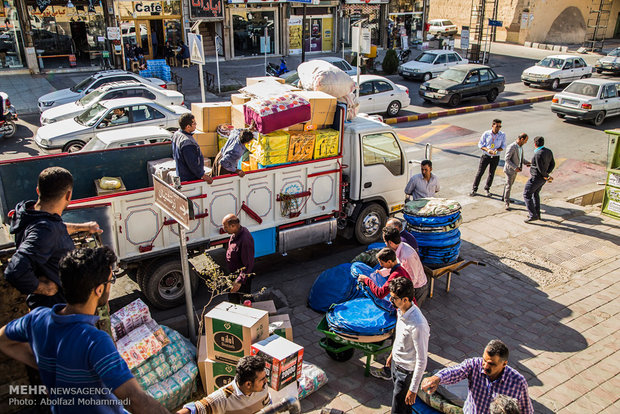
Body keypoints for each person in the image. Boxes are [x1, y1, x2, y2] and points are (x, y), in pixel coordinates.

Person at [0, 247, 170, 414]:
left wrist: (48, 366)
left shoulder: (36, 318)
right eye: (111, 281)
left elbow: (3, 339)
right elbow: (135, 400)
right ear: (99, 290)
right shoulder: (95, 341)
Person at [3, 167, 102, 310]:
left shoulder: (30, 214)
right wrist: (45, 288)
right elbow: (15, 270)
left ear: (38, 190)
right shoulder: (45, 230)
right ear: (69, 195)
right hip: (53, 309)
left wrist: (84, 227)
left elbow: (56, 227)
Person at [421, 339, 533, 414]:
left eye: (491, 364)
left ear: (504, 364)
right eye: (484, 360)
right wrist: (437, 378)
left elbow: (526, 411)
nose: (485, 366)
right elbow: (455, 372)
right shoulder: (475, 365)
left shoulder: (518, 382)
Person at [386, 277, 430, 414]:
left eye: (394, 298)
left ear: (405, 299)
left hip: (405, 374)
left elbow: (422, 360)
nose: (390, 300)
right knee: (403, 409)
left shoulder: (418, 325)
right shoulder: (401, 310)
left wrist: (413, 389)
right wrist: (392, 355)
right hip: (396, 365)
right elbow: (399, 337)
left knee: (398, 410)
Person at [178, 355, 270, 414]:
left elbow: (268, 405)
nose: (266, 381)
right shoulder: (224, 398)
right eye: (262, 379)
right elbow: (197, 408)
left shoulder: (263, 388)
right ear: (248, 384)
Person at [383, 226, 427, 305]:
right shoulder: (398, 249)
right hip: (409, 285)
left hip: (416, 288)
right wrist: (381, 272)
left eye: (385, 242)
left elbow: (413, 278)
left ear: (390, 242)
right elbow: (395, 266)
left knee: (411, 313)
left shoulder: (407, 256)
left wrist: (401, 293)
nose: (385, 245)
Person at [222, 214, 255, 304]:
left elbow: (248, 264)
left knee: (246, 300)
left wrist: (239, 281)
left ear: (233, 226)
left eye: (225, 227)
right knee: (233, 299)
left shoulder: (245, 240)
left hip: (241, 279)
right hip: (234, 275)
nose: (224, 229)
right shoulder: (236, 234)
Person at [171, 113, 213, 184]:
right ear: (188, 126)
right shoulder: (187, 143)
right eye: (194, 123)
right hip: (190, 179)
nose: (196, 125)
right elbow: (192, 164)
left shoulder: (176, 134)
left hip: (181, 174)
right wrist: (203, 175)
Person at [470, 119, 506, 197]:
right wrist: (488, 150)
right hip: (486, 156)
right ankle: (474, 189)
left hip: (495, 156)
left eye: (500, 126)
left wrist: (497, 150)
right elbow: (480, 144)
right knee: (480, 172)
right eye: (497, 126)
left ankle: (487, 188)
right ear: (492, 125)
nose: (498, 128)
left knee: (491, 173)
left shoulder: (502, 134)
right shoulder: (486, 134)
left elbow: (503, 146)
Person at [523, 136, 555, 223]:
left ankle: (532, 215)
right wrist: (547, 173)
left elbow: (540, 168)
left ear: (535, 144)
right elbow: (552, 164)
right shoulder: (548, 151)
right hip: (542, 179)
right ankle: (537, 213)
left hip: (536, 177)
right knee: (535, 194)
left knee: (527, 194)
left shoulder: (538, 154)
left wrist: (545, 175)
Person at [502, 133, 530, 210]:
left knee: (509, 184)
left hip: (515, 170)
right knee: (508, 186)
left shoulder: (520, 147)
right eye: (525, 140)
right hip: (510, 170)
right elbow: (507, 159)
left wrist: (527, 163)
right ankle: (506, 203)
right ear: (521, 139)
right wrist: (515, 168)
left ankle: (504, 197)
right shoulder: (512, 147)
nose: (526, 142)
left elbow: (521, 158)